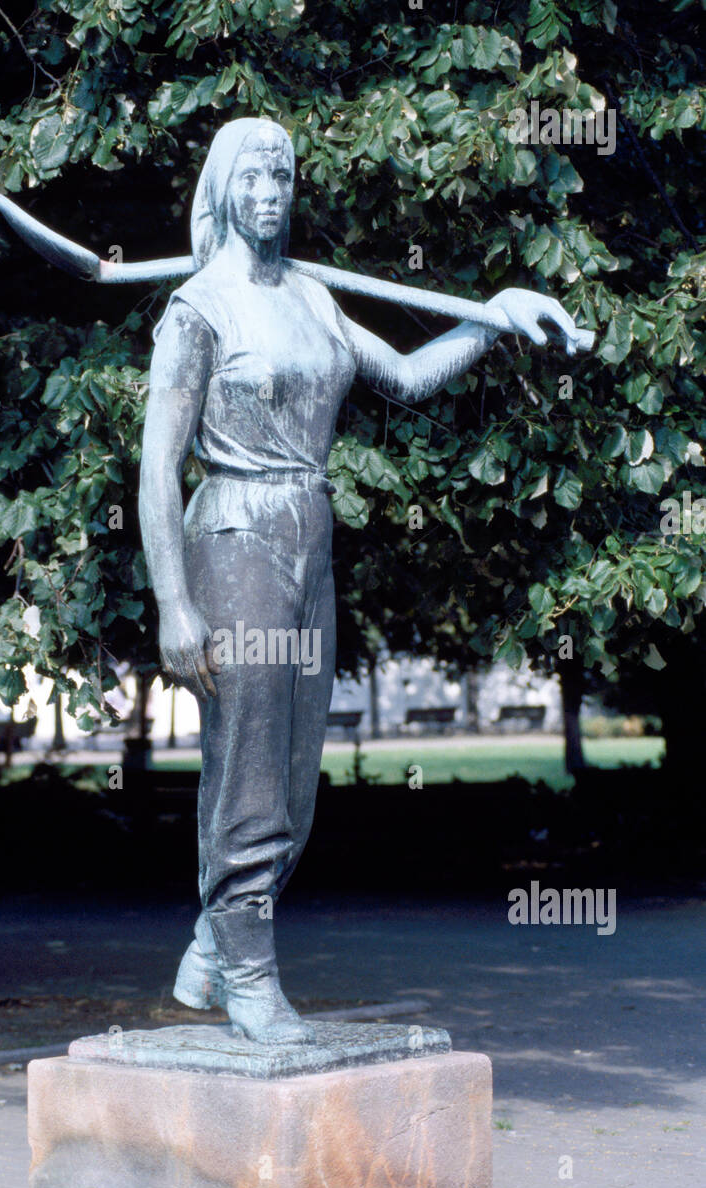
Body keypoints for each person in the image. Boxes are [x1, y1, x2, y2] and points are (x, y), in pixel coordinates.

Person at [138, 117, 578, 1044]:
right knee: (249, 767)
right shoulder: (195, 310)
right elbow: (155, 470)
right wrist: (174, 603)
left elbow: (409, 379)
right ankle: (247, 970)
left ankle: (213, 948)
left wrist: (489, 314)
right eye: (253, 178)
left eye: (284, 178)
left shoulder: (310, 296)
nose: (272, 194)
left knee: (296, 777)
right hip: (232, 533)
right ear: (223, 189)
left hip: (307, 529)